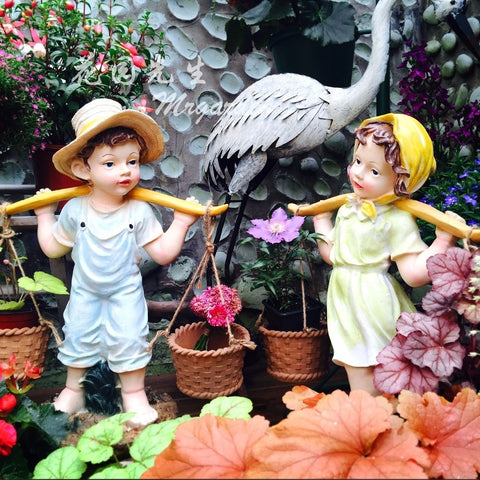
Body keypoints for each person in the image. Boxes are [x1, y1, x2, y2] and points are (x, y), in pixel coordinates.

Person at [34, 98, 200, 427]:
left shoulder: (139, 211)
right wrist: (44, 215)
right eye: (110, 163)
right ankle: (74, 389)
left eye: (132, 161)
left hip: (125, 294)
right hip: (85, 293)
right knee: (79, 336)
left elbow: (162, 253)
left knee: (129, 339)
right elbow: (53, 248)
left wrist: (181, 222)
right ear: (84, 170)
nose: (125, 171)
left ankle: (133, 394)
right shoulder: (75, 210)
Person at [312, 113, 463, 396]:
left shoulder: (396, 219)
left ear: (402, 181)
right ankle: (367, 409)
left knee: (380, 360)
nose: (358, 174)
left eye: (374, 171)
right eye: (358, 161)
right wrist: (321, 221)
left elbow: (414, 274)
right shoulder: (347, 210)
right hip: (343, 298)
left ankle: (382, 411)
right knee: (354, 361)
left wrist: (443, 240)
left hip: (373, 301)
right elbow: (333, 256)